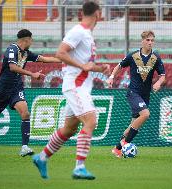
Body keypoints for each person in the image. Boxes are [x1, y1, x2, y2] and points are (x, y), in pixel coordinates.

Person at [32, 1, 110, 180]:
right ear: (97, 13)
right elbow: (60, 53)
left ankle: (41, 158)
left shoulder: (87, 34)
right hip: (75, 85)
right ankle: (79, 168)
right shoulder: (79, 31)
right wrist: (84, 65)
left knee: (68, 129)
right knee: (91, 121)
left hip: (80, 85)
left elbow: (84, 65)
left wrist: (99, 68)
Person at [0, 29, 61, 157]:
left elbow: (43, 58)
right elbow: (12, 67)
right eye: (31, 39)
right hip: (2, 90)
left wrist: (62, 60)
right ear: (26, 40)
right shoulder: (12, 49)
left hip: (16, 88)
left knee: (25, 113)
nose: (32, 42)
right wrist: (32, 74)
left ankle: (24, 147)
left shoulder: (26, 53)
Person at [106, 30, 166, 158]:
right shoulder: (133, 56)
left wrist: (159, 83)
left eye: (152, 40)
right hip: (133, 92)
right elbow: (119, 66)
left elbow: (162, 76)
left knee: (133, 124)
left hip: (145, 95)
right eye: (148, 40)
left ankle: (117, 149)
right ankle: (125, 143)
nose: (150, 42)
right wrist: (111, 77)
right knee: (145, 114)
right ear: (142, 41)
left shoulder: (155, 58)